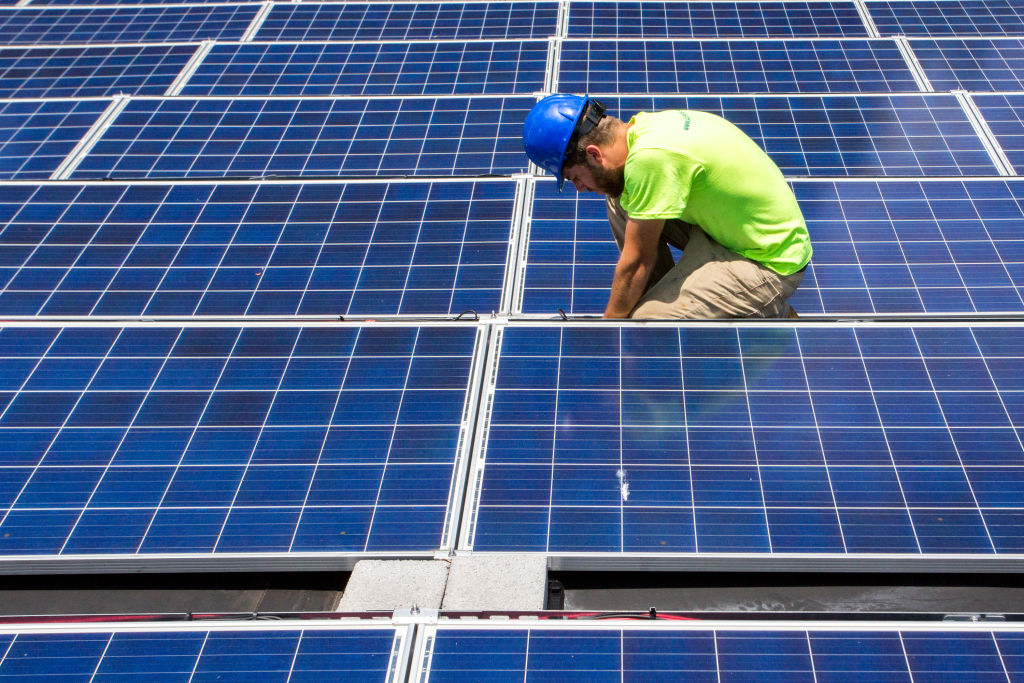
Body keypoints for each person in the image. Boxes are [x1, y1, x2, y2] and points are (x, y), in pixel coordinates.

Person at [522, 94, 812, 319]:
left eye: (574, 177)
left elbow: (636, 264)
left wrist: (608, 330)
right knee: (619, 196)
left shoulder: (651, 159)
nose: (580, 188)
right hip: (738, 230)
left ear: (595, 153)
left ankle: (768, 312)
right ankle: (666, 293)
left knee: (650, 323)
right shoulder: (643, 130)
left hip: (769, 261)